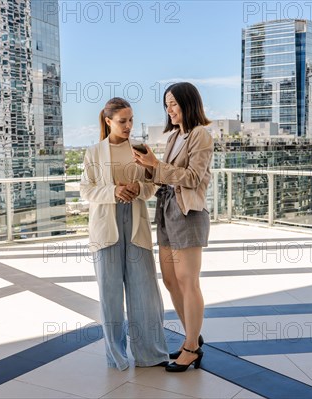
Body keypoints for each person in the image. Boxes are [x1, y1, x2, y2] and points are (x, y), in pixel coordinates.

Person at [80, 97, 169, 371]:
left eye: (131, 120)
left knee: (144, 292)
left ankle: (150, 353)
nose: (129, 125)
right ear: (108, 121)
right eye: (122, 121)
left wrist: (136, 189)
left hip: (136, 224)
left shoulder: (140, 149)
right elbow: (86, 190)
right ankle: (116, 356)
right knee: (110, 295)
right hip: (106, 226)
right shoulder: (94, 152)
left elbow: (152, 186)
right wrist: (114, 191)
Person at [132, 82, 213, 372]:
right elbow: (166, 177)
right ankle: (193, 335)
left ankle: (191, 347)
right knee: (170, 280)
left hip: (188, 212)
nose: (170, 109)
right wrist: (147, 168)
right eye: (167, 104)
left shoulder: (200, 135)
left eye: (174, 104)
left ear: (188, 104)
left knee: (187, 280)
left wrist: (157, 165)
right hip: (167, 210)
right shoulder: (173, 137)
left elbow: (192, 177)